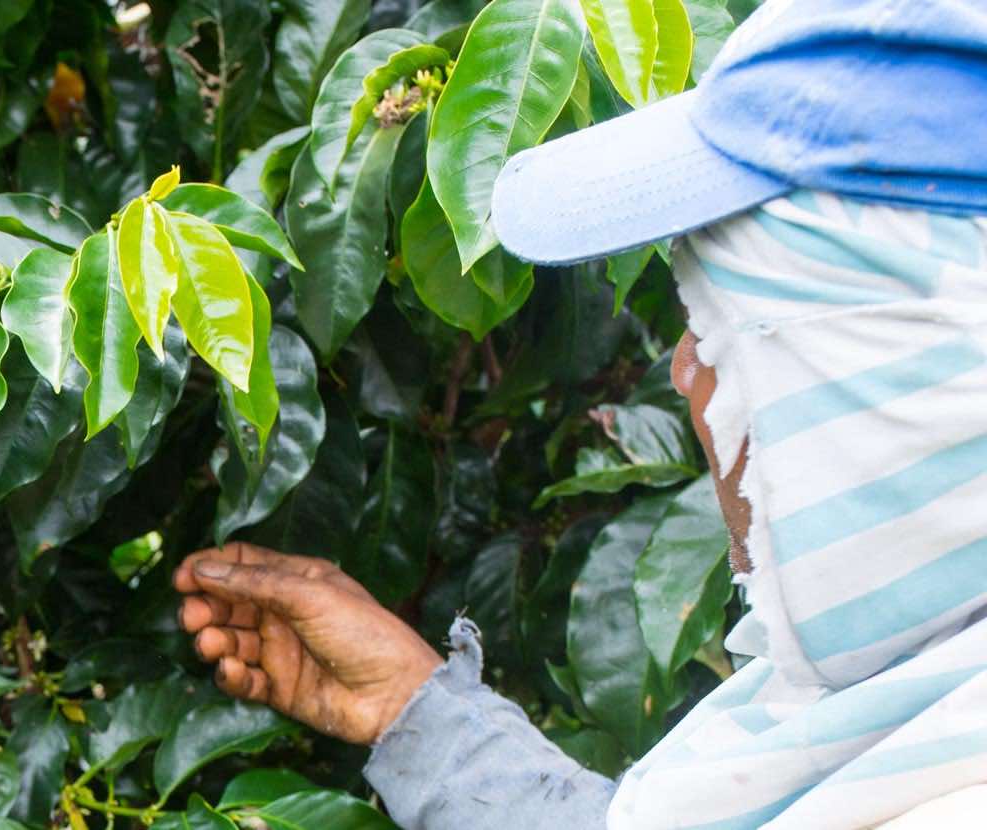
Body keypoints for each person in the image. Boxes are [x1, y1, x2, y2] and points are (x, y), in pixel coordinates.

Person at [174, 1, 987, 827]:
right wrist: (416, 713)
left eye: (724, 332)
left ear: (906, 405)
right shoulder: (902, 740)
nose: (684, 372)